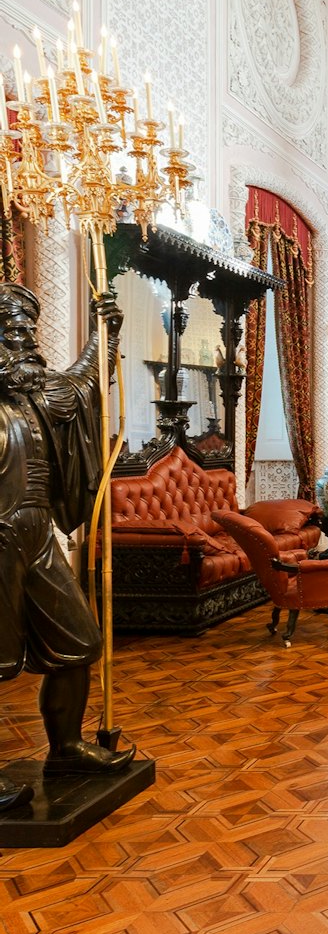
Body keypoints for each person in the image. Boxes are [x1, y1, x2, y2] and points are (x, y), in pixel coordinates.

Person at [0, 284, 136, 813]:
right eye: (12, 333)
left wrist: (105, 333)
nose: (25, 342)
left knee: (78, 641)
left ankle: (66, 748)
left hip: (37, 533)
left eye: (27, 332)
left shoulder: (36, 396)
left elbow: (81, 385)